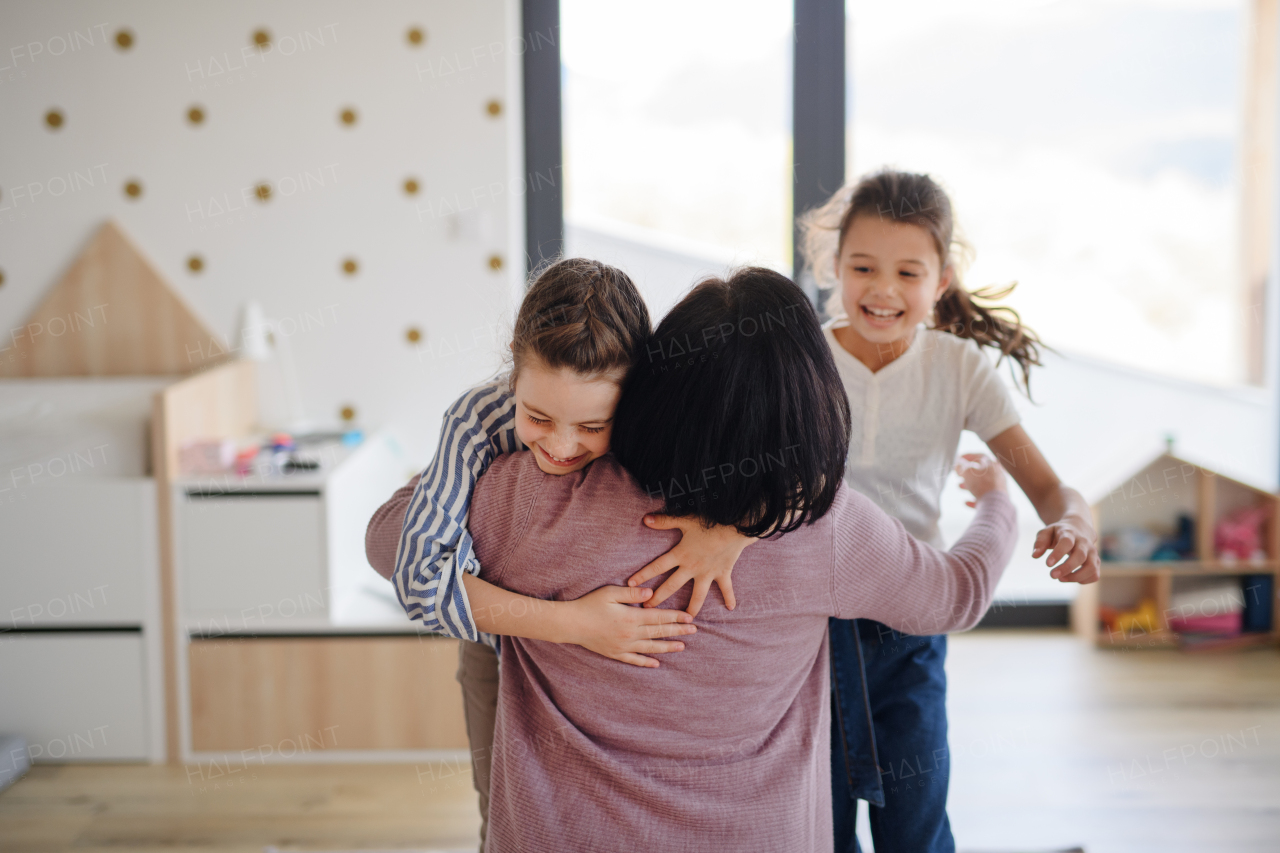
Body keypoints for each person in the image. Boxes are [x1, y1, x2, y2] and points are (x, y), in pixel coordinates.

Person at [462, 267, 1018, 852]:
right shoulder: (825, 528)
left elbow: (393, 543)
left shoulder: (532, 497)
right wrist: (997, 504)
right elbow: (960, 594)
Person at [364, 258, 751, 850]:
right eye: (537, 417)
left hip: (624, 698)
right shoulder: (477, 419)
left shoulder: (661, 410)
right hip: (499, 655)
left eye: (594, 427)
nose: (562, 446)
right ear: (513, 376)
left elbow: (804, 460)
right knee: (505, 816)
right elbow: (419, 580)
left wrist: (734, 532)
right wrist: (575, 623)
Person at [796, 169, 1101, 853]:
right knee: (821, 826)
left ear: (941, 282)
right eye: (863, 267)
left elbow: (1053, 492)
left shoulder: (960, 368)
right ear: (834, 267)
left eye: (908, 272)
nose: (882, 289)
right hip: (811, 631)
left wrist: (1075, 524)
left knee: (916, 824)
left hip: (912, 628)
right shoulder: (803, 358)